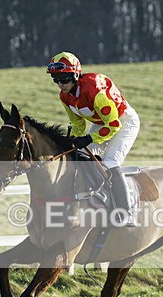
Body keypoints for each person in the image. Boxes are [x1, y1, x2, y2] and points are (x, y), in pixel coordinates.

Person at [46, 51, 141, 226]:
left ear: (75, 75)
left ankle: (126, 212)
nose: (60, 84)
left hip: (123, 120)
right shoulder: (64, 97)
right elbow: (78, 123)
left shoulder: (94, 89)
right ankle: (92, 196)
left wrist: (89, 138)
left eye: (64, 79)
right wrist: (73, 138)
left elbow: (113, 125)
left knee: (111, 161)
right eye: (56, 80)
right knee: (80, 155)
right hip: (101, 122)